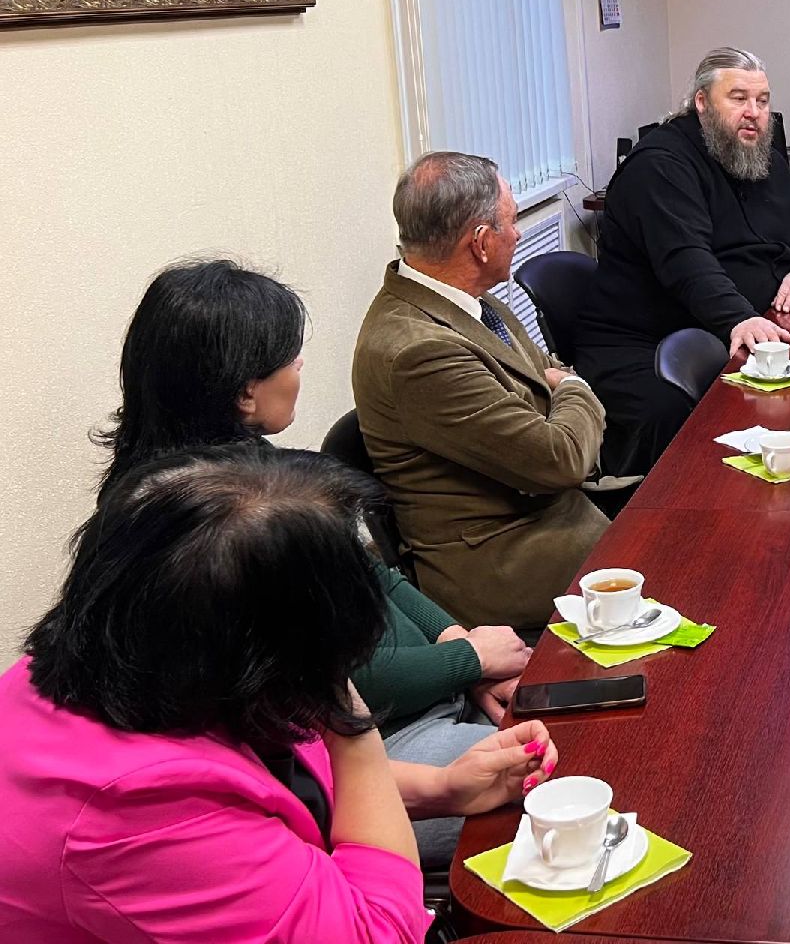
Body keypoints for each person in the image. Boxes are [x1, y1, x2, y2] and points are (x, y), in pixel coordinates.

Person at [0, 444, 560, 941]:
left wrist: (444, 787)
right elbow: (381, 932)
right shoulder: (136, 809)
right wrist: (352, 725)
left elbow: (275, 785)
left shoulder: (124, 657)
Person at [99, 258, 533, 866]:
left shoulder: (252, 465)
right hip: (371, 746)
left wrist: (464, 650)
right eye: (290, 356)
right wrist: (467, 660)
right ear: (245, 391)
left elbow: (377, 574)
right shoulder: (214, 526)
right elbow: (341, 682)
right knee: (563, 802)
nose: (301, 367)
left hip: (419, 702)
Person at [354, 151, 609, 630]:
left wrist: (561, 387)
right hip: (511, 565)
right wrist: (575, 385)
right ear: (481, 242)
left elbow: (542, 370)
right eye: (511, 223)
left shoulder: (467, 298)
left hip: (555, 517)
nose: (517, 235)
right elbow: (561, 456)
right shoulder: (418, 352)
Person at [576, 46, 790, 475]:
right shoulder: (661, 165)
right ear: (702, 102)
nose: (754, 113)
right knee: (705, 425)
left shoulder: (762, 158)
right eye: (738, 98)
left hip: (737, 329)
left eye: (762, 101)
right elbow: (687, 262)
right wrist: (739, 318)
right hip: (646, 345)